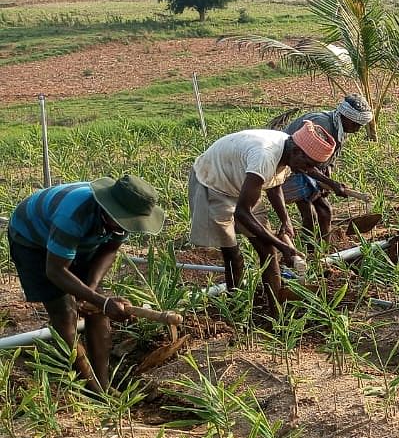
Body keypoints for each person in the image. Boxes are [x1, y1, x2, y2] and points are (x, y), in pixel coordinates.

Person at [6, 176, 165, 390]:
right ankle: (91, 388)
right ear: (109, 210)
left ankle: (104, 383)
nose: (126, 227)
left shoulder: (124, 215)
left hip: (75, 239)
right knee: (64, 313)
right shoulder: (73, 215)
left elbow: (110, 250)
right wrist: (101, 301)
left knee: (97, 309)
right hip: (32, 239)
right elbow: (55, 270)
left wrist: (92, 293)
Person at [187, 121, 335, 308]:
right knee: (232, 252)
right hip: (214, 182)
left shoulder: (289, 149)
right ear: (297, 152)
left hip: (243, 183)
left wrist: (285, 221)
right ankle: (235, 305)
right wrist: (283, 246)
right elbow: (242, 213)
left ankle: (275, 310)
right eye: (308, 165)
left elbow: (274, 185)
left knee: (268, 252)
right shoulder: (265, 156)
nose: (307, 170)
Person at [281, 94, 373, 246]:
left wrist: (328, 174)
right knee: (310, 213)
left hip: (310, 169)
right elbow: (304, 163)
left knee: (324, 211)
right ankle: (309, 251)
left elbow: (329, 158)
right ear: (346, 117)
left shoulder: (340, 128)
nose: (358, 129)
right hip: (291, 166)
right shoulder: (321, 125)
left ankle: (323, 249)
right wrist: (331, 183)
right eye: (356, 124)